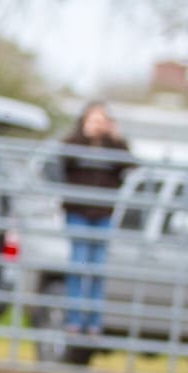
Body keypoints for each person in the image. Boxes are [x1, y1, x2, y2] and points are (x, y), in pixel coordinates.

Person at [58, 101, 135, 336]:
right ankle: (74, 320)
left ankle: (93, 323)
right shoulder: (73, 142)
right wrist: (85, 136)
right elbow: (59, 161)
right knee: (79, 264)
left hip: (103, 214)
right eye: (94, 120)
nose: (98, 125)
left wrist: (117, 138)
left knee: (98, 268)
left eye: (102, 120)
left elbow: (131, 165)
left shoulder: (113, 146)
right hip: (77, 213)